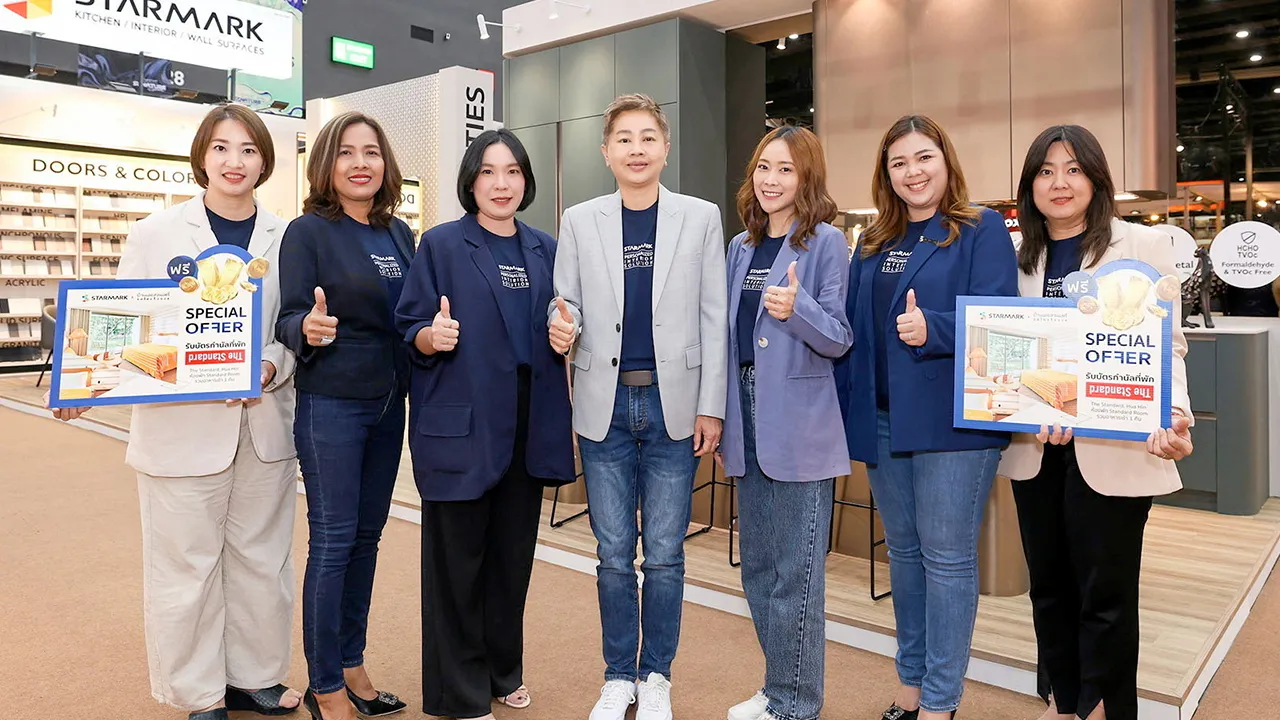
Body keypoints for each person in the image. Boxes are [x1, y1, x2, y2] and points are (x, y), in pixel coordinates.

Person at [49, 103, 301, 720]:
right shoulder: (155, 233)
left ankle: (255, 676)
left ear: (265, 160)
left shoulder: (288, 237)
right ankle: (198, 692)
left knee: (263, 561)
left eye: (248, 149)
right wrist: (84, 382)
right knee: (186, 566)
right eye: (221, 148)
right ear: (201, 157)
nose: (234, 161)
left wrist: (270, 365)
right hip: (180, 430)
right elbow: (118, 322)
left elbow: (292, 328)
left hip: (263, 426)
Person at [1001, 125, 1194, 720]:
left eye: (1073, 169)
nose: (1059, 183)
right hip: (1037, 445)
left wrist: (1174, 413)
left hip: (1113, 444)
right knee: (1048, 586)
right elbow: (1007, 345)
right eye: (1045, 171)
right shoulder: (1016, 257)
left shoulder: (1142, 245)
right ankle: (1064, 703)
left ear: (1096, 178)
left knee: (1105, 594)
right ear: (1029, 185)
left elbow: (1167, 344)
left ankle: (1108, 708)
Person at [548, 93, 728, 720]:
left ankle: (657, 676)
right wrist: (560, 324)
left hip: (675, 404)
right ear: (606, 152)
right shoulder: (580, 220)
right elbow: (564, 301)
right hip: (606, 405)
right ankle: (618, 674)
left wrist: (712, 406)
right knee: (612, 554)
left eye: (648, 137)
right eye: (623, 138)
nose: (636, 149)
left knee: (667, 554)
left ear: (666, 147)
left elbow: (715, 318)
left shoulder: (700, 218)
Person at [834, 115, 1018, 720]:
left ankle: (941, 701)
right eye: (899, 163)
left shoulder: (980, 227)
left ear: (945, 161)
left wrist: (934, 328)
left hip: (952, 425)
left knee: (946, 559)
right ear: (885, 174)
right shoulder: (873, 240)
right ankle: (910, 683)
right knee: (905, 557)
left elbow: (1003, 320)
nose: (912, 172)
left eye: (923, 158)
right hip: (885, 421)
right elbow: (854, 330)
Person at [395, 129, 576, 719]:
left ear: (526, 181)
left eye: (513, 172)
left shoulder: (545, 248)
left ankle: (503, 670)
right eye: (489, 172)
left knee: (510, 559)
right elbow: (409, 326)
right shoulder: (442, 245)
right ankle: (460, 691)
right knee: (457, 563)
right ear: (471, 182)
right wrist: (432, 334)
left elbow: (565, 318)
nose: (502, 184)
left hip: (529, 424)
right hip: (464, 423)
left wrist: (567, 331)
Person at [275, 111, 414, 720]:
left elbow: (409, 316)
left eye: (372, 152)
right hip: (331, 402)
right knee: (333, 541)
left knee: (367, 538)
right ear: (326, 164)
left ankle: (353, 662)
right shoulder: (308, 232)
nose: (361, 163)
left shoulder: (399, 234)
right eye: (347, 152)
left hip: (388, 403)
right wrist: (306, 326)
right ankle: (325, 683)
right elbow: (288, 317)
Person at [718, 125, 852, 720]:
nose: (770, 180)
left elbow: (839, 337)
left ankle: (797, 704)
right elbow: (729, 338)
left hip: (800, 422)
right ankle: (779, 687)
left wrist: (798, 309)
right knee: (757, 568)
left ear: (807, 178)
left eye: (786, 169)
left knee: (796, 573)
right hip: (744, 415)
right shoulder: (740, 247)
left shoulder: (826, 242)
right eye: (763, 167)